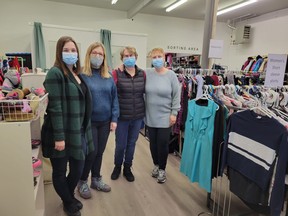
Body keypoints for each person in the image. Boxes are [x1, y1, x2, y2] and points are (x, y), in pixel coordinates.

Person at [41, 36, 94, 216]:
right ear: (59, 52)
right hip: (62, 131)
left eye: (73, 50)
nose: (71, 54)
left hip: (78, 130)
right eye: (66, 50)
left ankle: (68, 197)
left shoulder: (76, 74)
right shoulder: (55, 73)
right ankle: (68, 202)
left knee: (78, 167)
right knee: (60, 171)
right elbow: (55, 108)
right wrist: (60, 137)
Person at [77, 42, 119, 198]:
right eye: (94, 53)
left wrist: (114, 118)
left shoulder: (108, 76)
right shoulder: (82, 76)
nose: (98, 56)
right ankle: (82, 181)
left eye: (101, 54)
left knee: (99, 152)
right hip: (89, 122)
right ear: (88, 55)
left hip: (105, 121)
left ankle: (96, 179)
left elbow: (114, 99)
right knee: (91, 152)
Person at [145, 47, 181, 184]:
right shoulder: (147, 73)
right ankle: (155, 164)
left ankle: (162, 169)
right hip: (150, 115)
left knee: (162, 143)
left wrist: (174, 113)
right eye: (154, 57)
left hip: (166, 116)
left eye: (159, 56)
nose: (157, 59)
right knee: (153, 143)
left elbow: (176, 95)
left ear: (164, 57)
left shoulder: (171, 75)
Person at [110, 46, 146, 182]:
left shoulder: (142, 74)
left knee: (132, 143)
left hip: (137, 116)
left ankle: (127, 167)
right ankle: (117, 166)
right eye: (126, 56)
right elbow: (111, 93)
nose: (129, 58)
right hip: (122, 116)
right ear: (122, 58)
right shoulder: (116, 73)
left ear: (136, 57)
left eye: (131, 55)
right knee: (120, 144)